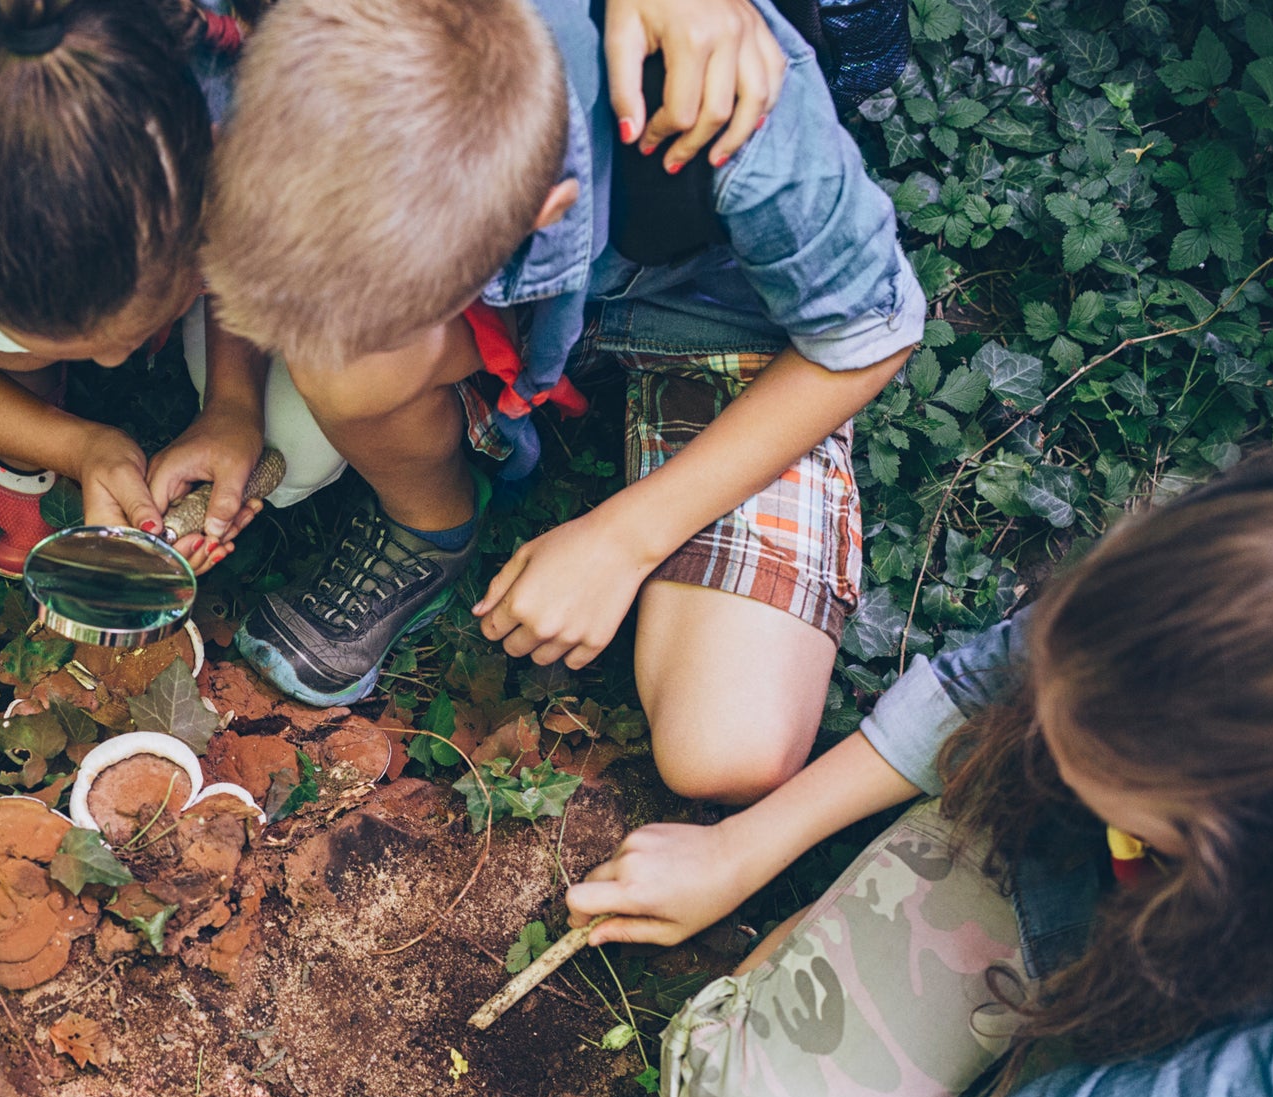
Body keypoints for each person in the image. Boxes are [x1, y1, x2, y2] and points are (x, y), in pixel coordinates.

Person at [517, 441, 1273, 1097]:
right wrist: (743, 849)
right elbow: (995, 678)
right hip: (1033, 853)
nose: (1056, 731)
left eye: (1128, 809)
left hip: (1190, 1041)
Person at [201, 0, 919, 803]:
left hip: (722, 310)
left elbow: (868, 338)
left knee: (725, 745)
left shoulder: (743, 119)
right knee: (346, 357)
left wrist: (626, 538)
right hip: (512, 292)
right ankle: (426, 523)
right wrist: (230, 398)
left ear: (545, 215)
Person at [0, 0, 794, 578]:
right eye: (85, 345)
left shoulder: (300, 79)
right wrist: (76, 440)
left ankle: (444, 377)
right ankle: (20, 369)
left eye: (143, 321)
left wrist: (235, 400)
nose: (119, 364)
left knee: (307, 442)